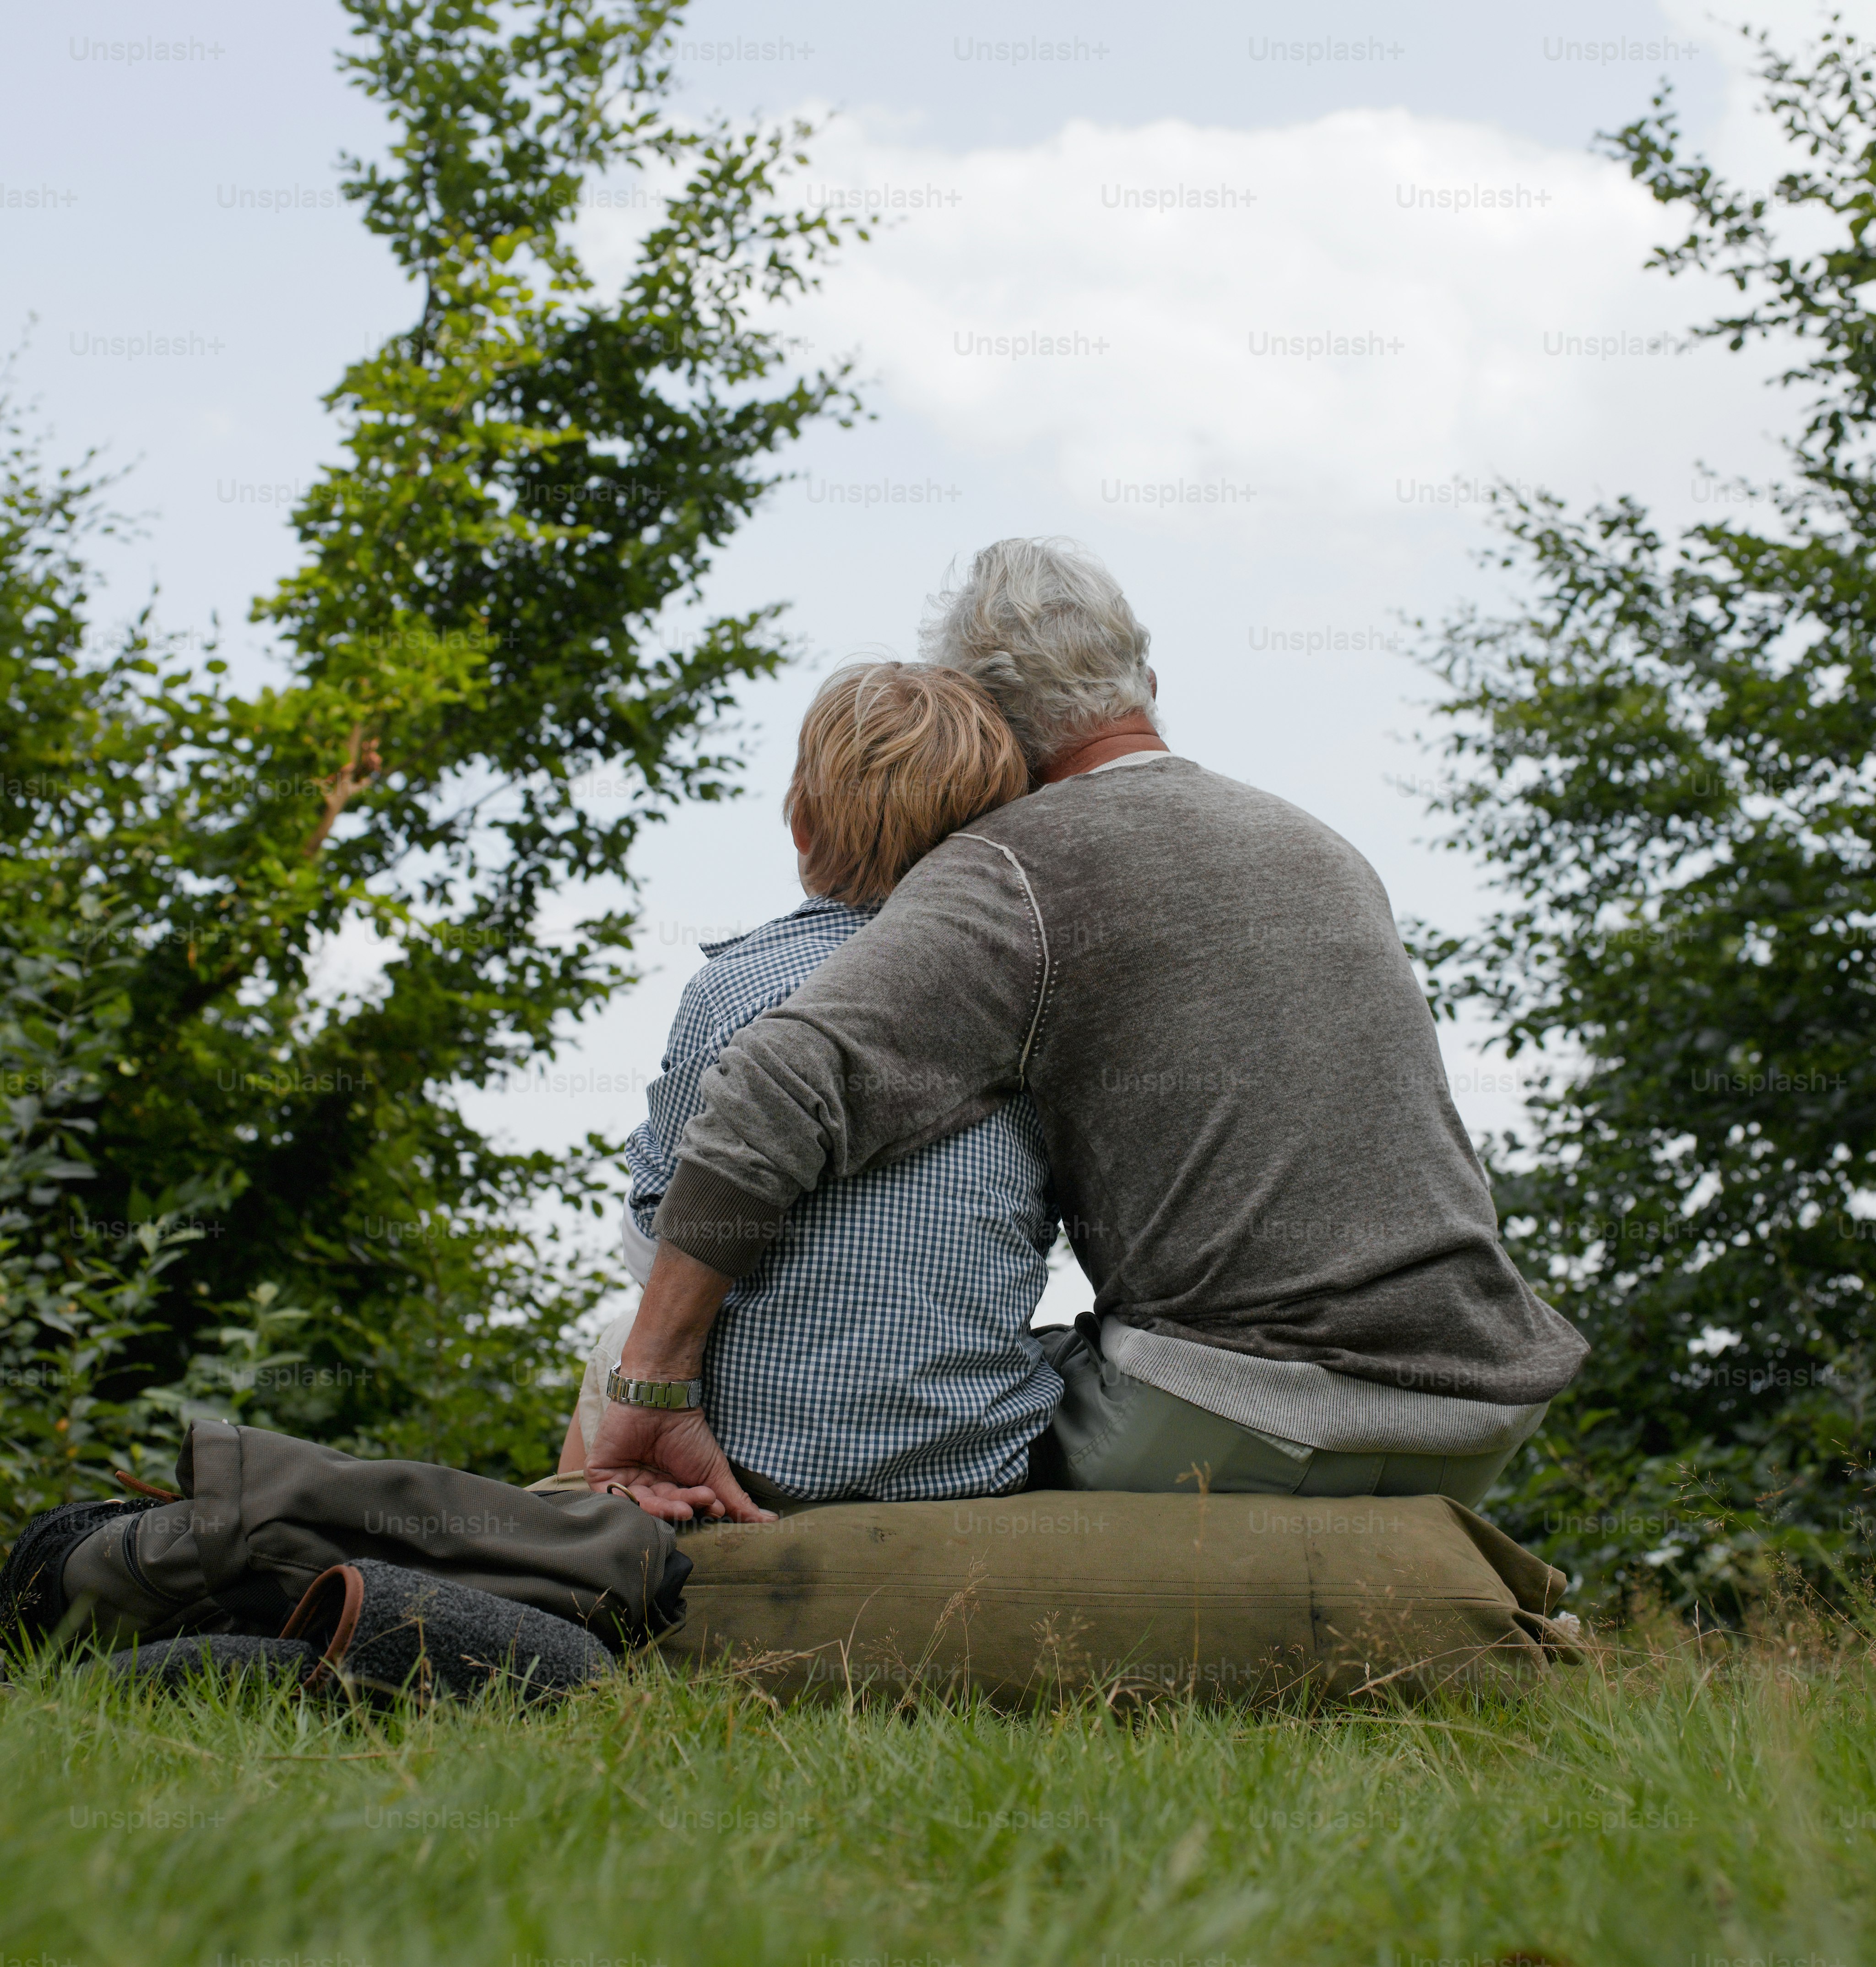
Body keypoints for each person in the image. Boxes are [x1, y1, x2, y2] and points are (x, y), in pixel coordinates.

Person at [585, 538, 1589, 1524]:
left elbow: (779, 1083)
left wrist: (656, 1378)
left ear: (994, 730)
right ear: (1147, 680)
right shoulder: (1323, 846)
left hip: (1236, 1412)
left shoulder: (1012, 863)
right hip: (1482, 1402)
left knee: (916, 1411)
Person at [561, 660, 1060, 1520]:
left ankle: (580, 1540)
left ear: (800, 822)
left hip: (755, 1458)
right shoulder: (1032, 1005)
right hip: (973, 1462)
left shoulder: (735, 987)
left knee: (619, 1343)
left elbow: (656, 1236)